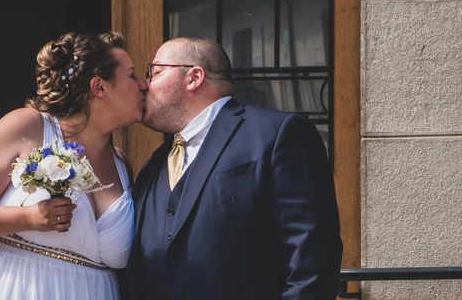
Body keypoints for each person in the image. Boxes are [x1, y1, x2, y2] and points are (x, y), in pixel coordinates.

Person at [0, 31, 147, 299]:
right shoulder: (29, 127)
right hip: (10, 287)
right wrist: (28, 218)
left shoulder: (122, 164)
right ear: (99, 87)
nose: (144, 85)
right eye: (132, 75)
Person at [128, 37, 342, 299]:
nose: (144, 85)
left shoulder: (277, 135)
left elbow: (312, 254)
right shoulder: (155, 163)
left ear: (194, 77)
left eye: (156, 73)